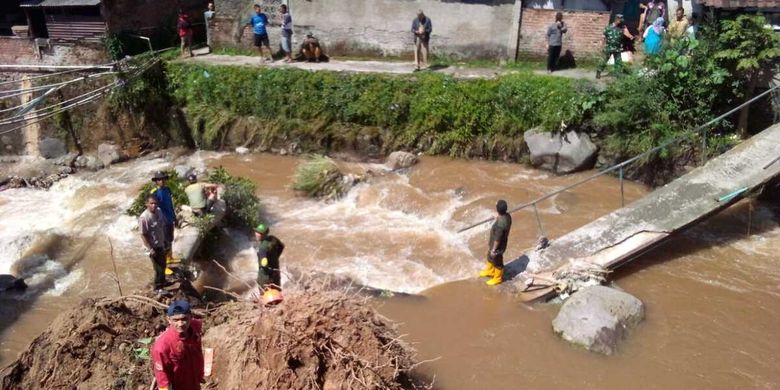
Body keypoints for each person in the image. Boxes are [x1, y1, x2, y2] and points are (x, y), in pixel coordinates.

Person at [152, 300, 204, 390]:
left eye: (184, 319)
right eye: (175, 320)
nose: (180, 324)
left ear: (191, 317)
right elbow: (163, 379)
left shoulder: (195, 327)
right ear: (168, 319)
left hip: (195, 383)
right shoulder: (162, 347)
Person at [478, 200, 512, 286]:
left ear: (498, 210)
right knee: (489, 256)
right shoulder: (507, 216)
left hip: (498, 245)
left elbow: (497, 239)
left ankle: (497, 278)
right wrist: (497, 217)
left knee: (497, 261)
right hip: (497, 242)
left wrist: (494, 249)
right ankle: (490, 270)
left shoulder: (500, 226)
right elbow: (502, 218)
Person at [139, 195, 167, 292]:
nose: (154, 205)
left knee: (163, 264)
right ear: (146, 204)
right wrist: (150, 249)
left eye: (155, 203)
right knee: (158, 268)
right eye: (151, 203)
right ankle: (157, 288)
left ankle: (163, 282)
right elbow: (143, 235)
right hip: (152, 247)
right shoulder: (144, 218)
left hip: (160, 243)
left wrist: (165, 240)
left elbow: (162, 225)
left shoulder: (159, 211)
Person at [150, 171, 175, 262]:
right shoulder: (154, 192)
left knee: (170, 238)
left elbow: (170, 204)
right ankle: (165, 261)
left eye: (163, 179)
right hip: (161, 220)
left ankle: (170, 257)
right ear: (156, 181)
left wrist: (174, 216)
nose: (162, 181)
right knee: (163, 241)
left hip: (169, 218)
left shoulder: (167, 189)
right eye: (159, 179)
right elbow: (153, 208)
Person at [254, 223, 285, 291]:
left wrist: (263, 277)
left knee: (265, 295)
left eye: (259, 233)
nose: (256, 234)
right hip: (276, 271)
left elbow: (264, 264)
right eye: (256, 232)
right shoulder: (273, 239)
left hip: (266, 276)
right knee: (277, 292)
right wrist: (276, 257)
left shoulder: (263, 248)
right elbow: (282, 246)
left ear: (264, 234)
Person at [596, 15, 625, 79]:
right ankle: (598, 72)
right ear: (616, 19)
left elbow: (621, 38)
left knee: (618, 62)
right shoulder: (608, 28)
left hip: (617, 48)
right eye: (620, 20)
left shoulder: (621, 29)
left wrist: (622, 45)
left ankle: (618, 74)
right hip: (609, 47)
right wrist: (601, 45)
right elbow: (603, 37)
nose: (621, 22)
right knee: (604, 60)